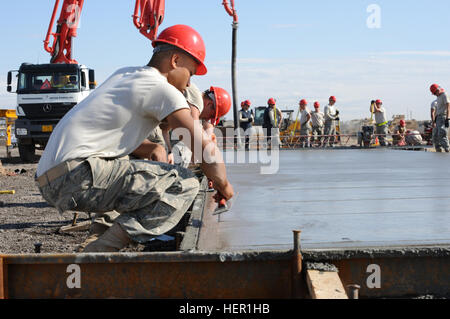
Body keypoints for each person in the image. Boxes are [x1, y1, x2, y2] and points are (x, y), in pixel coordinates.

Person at [35, 24, 234, 252]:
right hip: (75, 176)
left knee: (144, 177)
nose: (189, 83)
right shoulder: (161, 89)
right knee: (183, 183)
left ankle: (102, 241)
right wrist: (225, 186)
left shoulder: (124, 74)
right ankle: (99, 251)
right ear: (175, 61)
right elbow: (203, 148)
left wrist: (154, 148)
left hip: (49, 177)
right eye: (190, 73)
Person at [430, 84, 450, 152]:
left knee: (442, 133)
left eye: (435, 93)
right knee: (435, 135)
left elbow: (448, 107)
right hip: (438, 117)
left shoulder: (444, 95)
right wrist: (434, 120)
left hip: (443, 117)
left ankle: (447, 150)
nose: (435, 94)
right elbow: (438, 109)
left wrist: (447, 118)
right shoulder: (438, 97)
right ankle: (438, 150)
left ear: (438, 90)